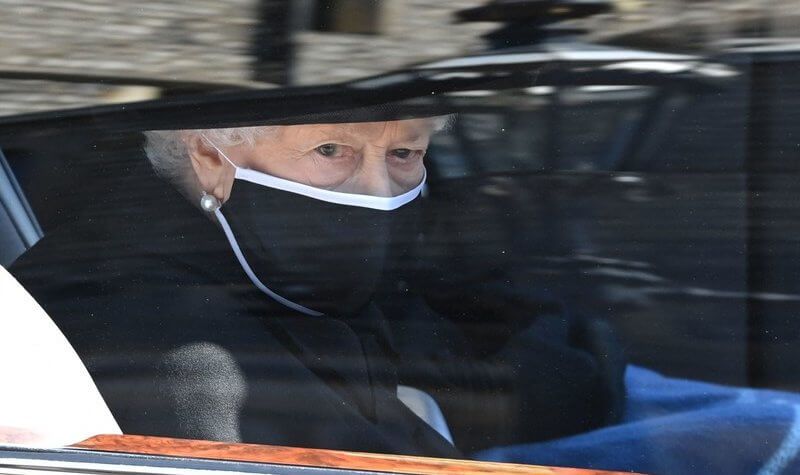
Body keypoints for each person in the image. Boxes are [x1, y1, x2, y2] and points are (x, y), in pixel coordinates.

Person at [9, 113, 625, 457]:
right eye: (331, 149)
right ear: (209, 156)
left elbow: (496, 340)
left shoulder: (276, 262)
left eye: (405, 153)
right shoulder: (155, 336)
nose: (378, 193)